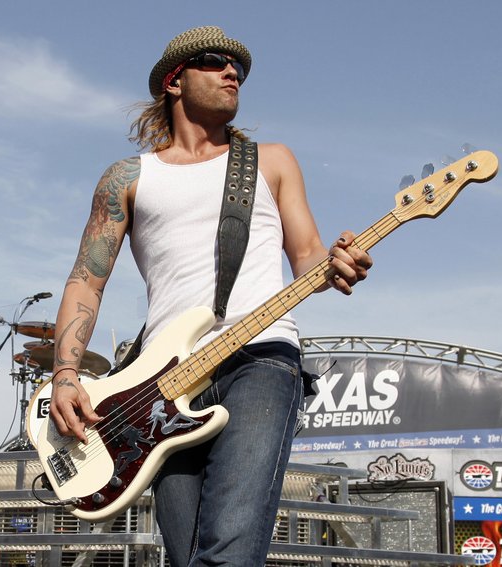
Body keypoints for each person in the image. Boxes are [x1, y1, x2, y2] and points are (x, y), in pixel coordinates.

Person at [47, 26, 372, 566]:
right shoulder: (127, 178)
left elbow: (309, 256)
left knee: (229, 549)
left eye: (240, 71)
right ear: (174, 81)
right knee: (186, 554)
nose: (233, 74)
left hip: (261, 356)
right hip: (161, 381)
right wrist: (65, 376)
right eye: (218, 63)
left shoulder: (272, 161)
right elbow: (86, 278)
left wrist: (338, 262)